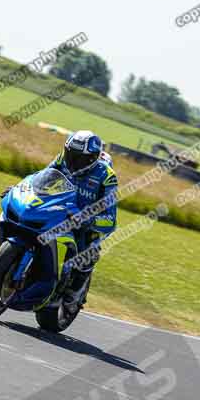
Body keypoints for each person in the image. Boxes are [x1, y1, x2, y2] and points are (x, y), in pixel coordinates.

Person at [46, 130, 118, 309]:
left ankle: (75, 290)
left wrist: (88, 221)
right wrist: (20, 188)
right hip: (59, 211)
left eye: (79, 158)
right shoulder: (61, 160)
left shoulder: (107, 177)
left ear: (92, 159)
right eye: (71, 154)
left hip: (86, 223)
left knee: (89, 249)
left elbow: (110, 220)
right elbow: (42, 177)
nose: (72, 161)